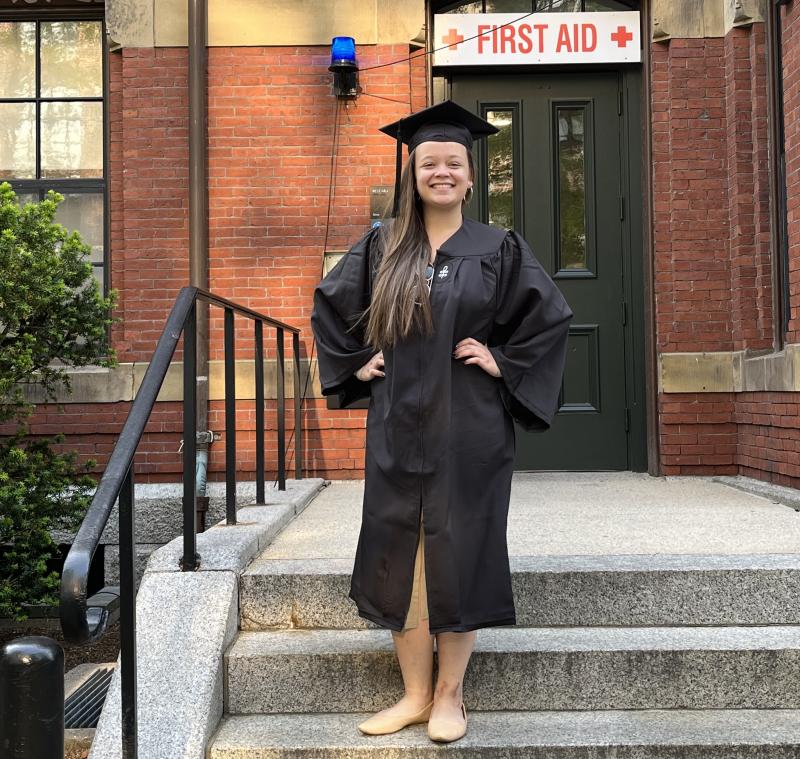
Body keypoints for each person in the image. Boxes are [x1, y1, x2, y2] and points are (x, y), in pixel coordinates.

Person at [311, 100, 572, 743]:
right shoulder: (383, 245)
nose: (442, 172)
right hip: (399, 423)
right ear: (414, 172)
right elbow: (331, 306)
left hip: (471, 427)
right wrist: (359, 364)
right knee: (402, 552)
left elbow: (548, 318)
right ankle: (414, 695)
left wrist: (501, 361)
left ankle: (451, 697)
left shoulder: (498, 247)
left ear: (471, 175)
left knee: (460, 550)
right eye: (430, 162)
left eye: (454, 162)